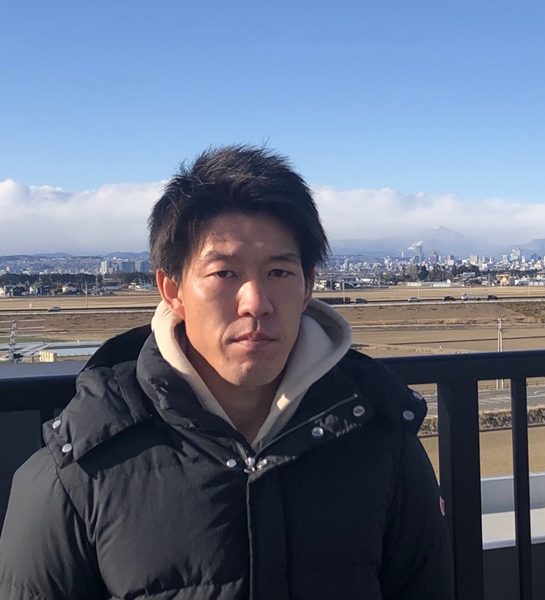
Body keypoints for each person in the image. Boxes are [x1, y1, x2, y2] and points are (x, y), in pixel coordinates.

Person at [0, 145, 453, 599]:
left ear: (308, 287)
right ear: (172, 290)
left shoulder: (381, 439)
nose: (255, 302)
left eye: (279, 272)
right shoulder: (80, 466)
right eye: (224, 273)